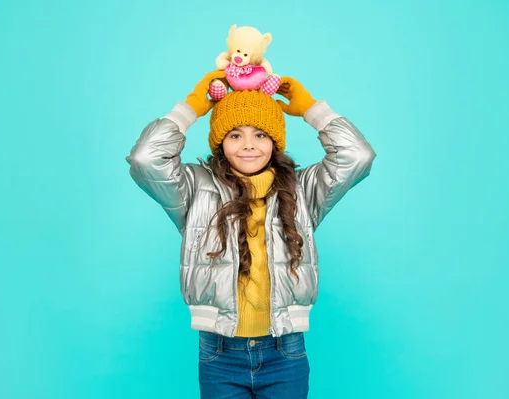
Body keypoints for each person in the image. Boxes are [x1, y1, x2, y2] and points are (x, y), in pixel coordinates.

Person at [126, 70, 377, 398]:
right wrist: (188, 110)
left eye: (261, 134)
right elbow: (146, 160)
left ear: (275, 141)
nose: (248, 145)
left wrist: (313, 110)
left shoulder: (302, 191)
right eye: (235, 135)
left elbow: (357, 157)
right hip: (219, 353)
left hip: (284, 351)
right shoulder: (194, 190)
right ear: (219, 142)